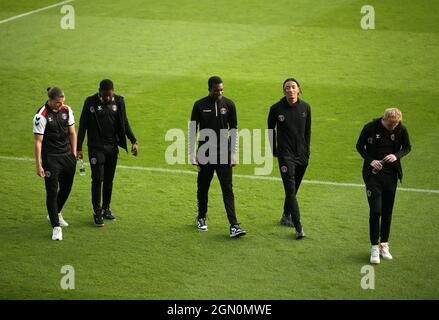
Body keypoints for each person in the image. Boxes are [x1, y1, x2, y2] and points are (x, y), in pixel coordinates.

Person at [188, 76, 246, 238]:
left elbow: (233, 129)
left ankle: (234, 225)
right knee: (203, 187)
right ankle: (201, 217)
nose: (219, 93)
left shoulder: (229, 105)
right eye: (216, 90)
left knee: (228, 189)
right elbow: (193, 129)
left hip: (223, 154)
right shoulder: (199, 105)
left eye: (221, 90)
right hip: (204, 153)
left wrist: (233, 153)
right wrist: (192, 154)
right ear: (209, 89)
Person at [77, 79, 138, 227]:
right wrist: (78, 148)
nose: (107, 98)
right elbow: (83, 125)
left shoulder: (118, 101)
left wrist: (133, 140)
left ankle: (106, 208)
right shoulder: (90, 102)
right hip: (96, 147)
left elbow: (124, 122)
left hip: (112, 147)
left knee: (109, 179)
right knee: (98, 179)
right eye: (105, 95)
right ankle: (97, 211)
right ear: (100, 91)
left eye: (110, 95)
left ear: (113, 91)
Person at [356, 107, 411, 264]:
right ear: (384, 119)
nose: (393, 127)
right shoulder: (370, 127)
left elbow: (407, 147)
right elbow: (359, 146)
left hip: (391, 176)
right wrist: (370, 160)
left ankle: (384, 244)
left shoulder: (400, 129)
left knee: (387, 211)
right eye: (391, 125)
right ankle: (374, 246)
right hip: (372, 175)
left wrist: (396, 155)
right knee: (375, 210)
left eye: (396, 125)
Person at [268, 78, 311, 239]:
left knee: (294, 188)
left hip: (302, 155)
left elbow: (307, 131)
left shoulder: (305, 107)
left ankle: (286, 215)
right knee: (290, 190)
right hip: (285, 155)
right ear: (283, 91)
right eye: (287, 88)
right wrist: (274, 150)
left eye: (293, 87)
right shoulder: (276, 109)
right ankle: (298, 227)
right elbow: (270, 130)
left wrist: (307, 151)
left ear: (299, 89)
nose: (290, 90)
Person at [33, 87, 77, 241]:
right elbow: (38, 142)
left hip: (67, 157)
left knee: (66, 188)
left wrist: (74, 152)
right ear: (50, 100)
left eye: (62, 102)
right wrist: (39, 165)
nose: (60, 105)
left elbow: (72, 132)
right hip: (51, 158)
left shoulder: (67, 110)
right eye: (57, 103)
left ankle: (56, 212)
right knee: (52, 192)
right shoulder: (41, 116)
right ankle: (56, 227)